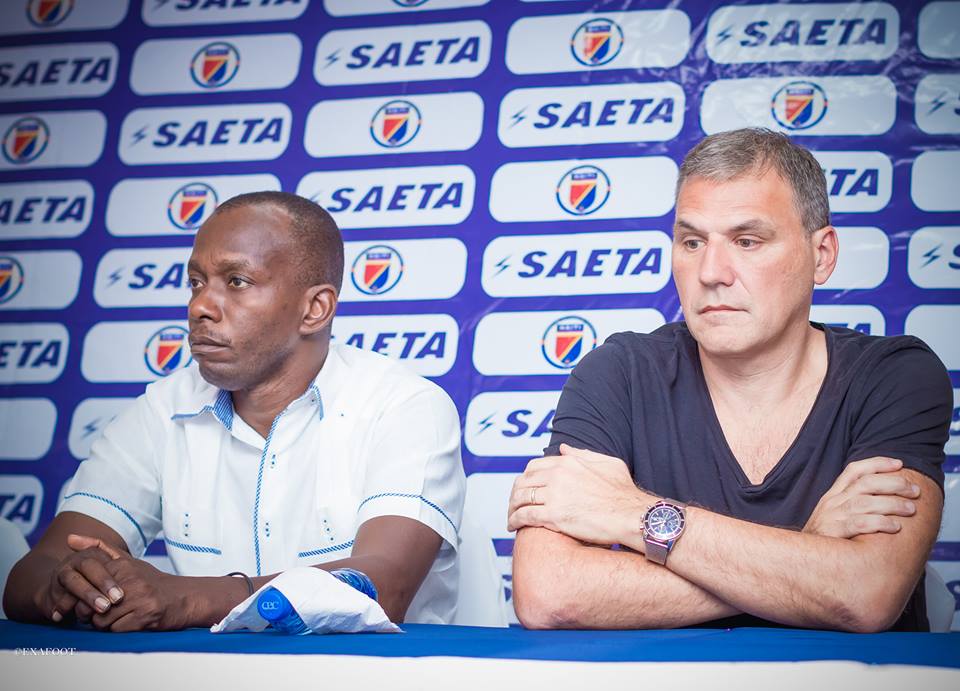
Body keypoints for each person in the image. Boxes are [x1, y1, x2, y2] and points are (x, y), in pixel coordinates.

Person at [508, 128, 951, 633]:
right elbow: (550, 594)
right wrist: (808, 549)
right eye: (692, 241)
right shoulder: (620, 373)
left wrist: (629, 511)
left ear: (822, 255)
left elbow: (865, 594)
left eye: (747, 240)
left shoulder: (893, 376)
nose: (712, 271)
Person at [3, 192, 465, 631]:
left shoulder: (403, 406)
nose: (200, 306)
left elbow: (383, 584)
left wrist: (186, 598)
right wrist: (78, 586)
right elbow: (30, 576)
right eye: (196, 283)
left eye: (237, 282)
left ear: (315, 309)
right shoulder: (162, 410)